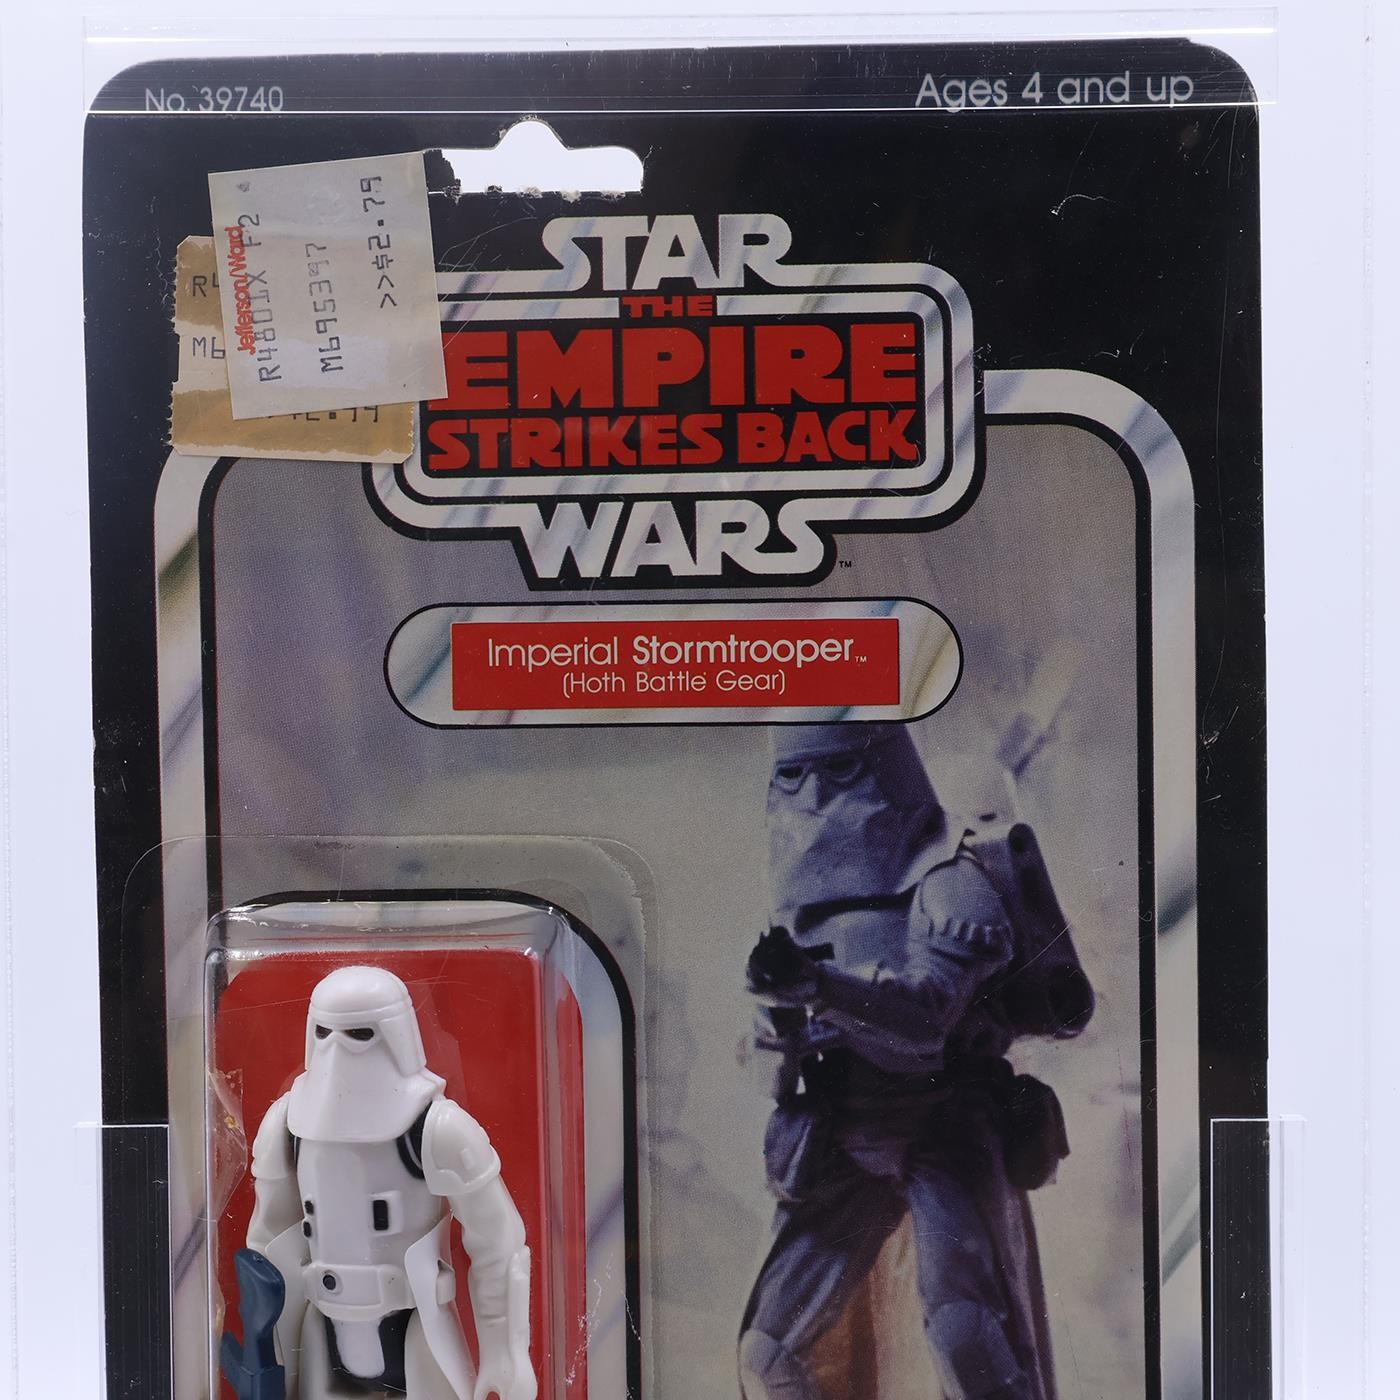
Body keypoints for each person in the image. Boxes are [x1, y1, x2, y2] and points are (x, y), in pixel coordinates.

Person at [740, 723, 1091, 1400]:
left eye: (837, 774)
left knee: (967, 1339)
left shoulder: (955, 886)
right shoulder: (798, 905)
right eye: (792, 778)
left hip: (946, 1122)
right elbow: (771, 1061)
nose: (813, 797)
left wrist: (817, 987)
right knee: (767, 1353)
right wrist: (779, 1028)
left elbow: (927, 1022)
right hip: (844, 1128)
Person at [242, 966, 536, 1400]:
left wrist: (505, 1353)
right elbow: (267, 1243)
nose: (338, 1051)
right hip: (322, 1326)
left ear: (395, 1034)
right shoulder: (287, 1123)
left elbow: (497, 1241)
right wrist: (266, 1346)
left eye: (359, 1034)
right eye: (325, 1032)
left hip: (415, 1327)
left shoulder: (437, 1127)